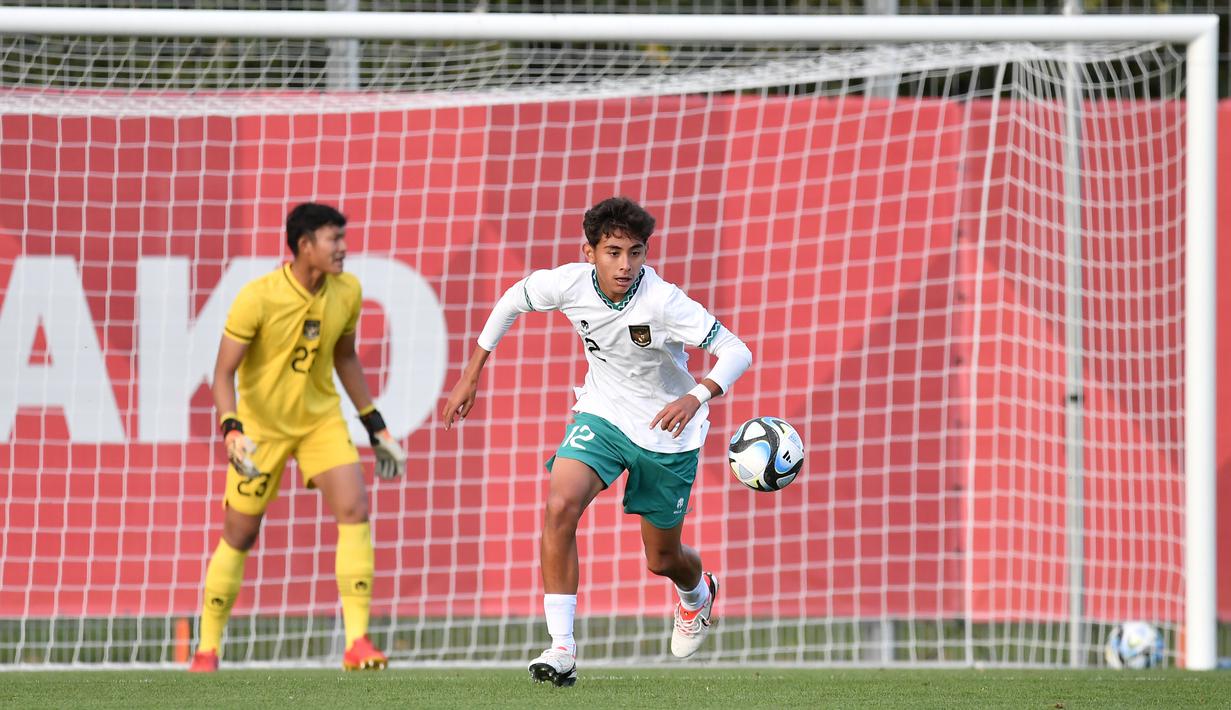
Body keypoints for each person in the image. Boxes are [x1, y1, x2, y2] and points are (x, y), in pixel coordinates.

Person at [441, 197, 752, 686]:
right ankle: (561, 647)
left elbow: (736, 350)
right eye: (612, 252)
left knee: (662, 559)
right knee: (560, 504)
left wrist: (696, 396)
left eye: (635, 252)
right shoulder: (567, 283)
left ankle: (697, 594)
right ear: (589, 252)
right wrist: (471, 374)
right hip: (602, 415)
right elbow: (512, 300)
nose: (625, 264)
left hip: (667, 433)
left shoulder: (664, 301)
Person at [188, 203, 407, 673]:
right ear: (305, 245)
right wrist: (232, 428)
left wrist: (376, 425)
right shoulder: (258, 296)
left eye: (342, 238)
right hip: (261, 430)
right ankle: (206, 648)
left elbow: (345, 358)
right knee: (240, 533)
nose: (343, 248)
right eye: (333, 239)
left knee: (355, 507)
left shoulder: (346, 291)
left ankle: (357, 642)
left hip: (319, 422)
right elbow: (222, 373)